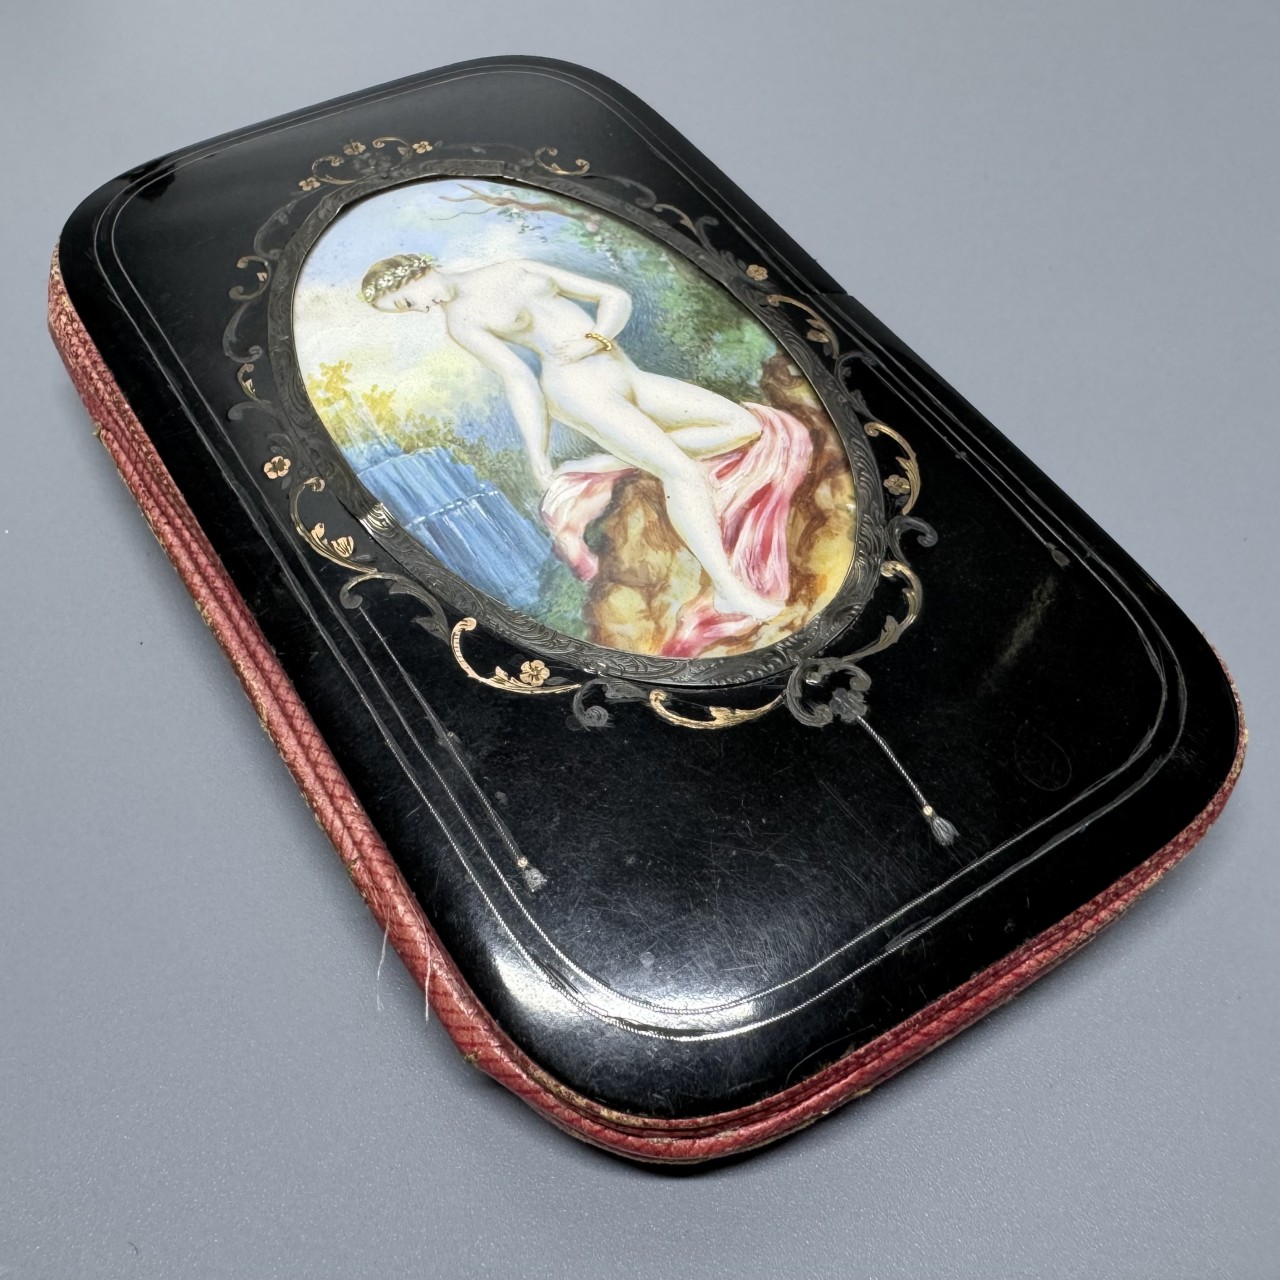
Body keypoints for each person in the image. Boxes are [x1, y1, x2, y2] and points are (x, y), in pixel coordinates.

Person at [361, 252, 793, 623]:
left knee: (743, 426)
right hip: (578, 389)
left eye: (406, 302)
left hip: (622, 370)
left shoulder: (513, 266)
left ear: (410, 276)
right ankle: (729, 590)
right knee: (682, 473)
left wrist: (597, 337)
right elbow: (519, 380)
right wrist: (538, 452)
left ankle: (616, 462)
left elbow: (614, 296)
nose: (419, 309)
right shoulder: (461, 321)